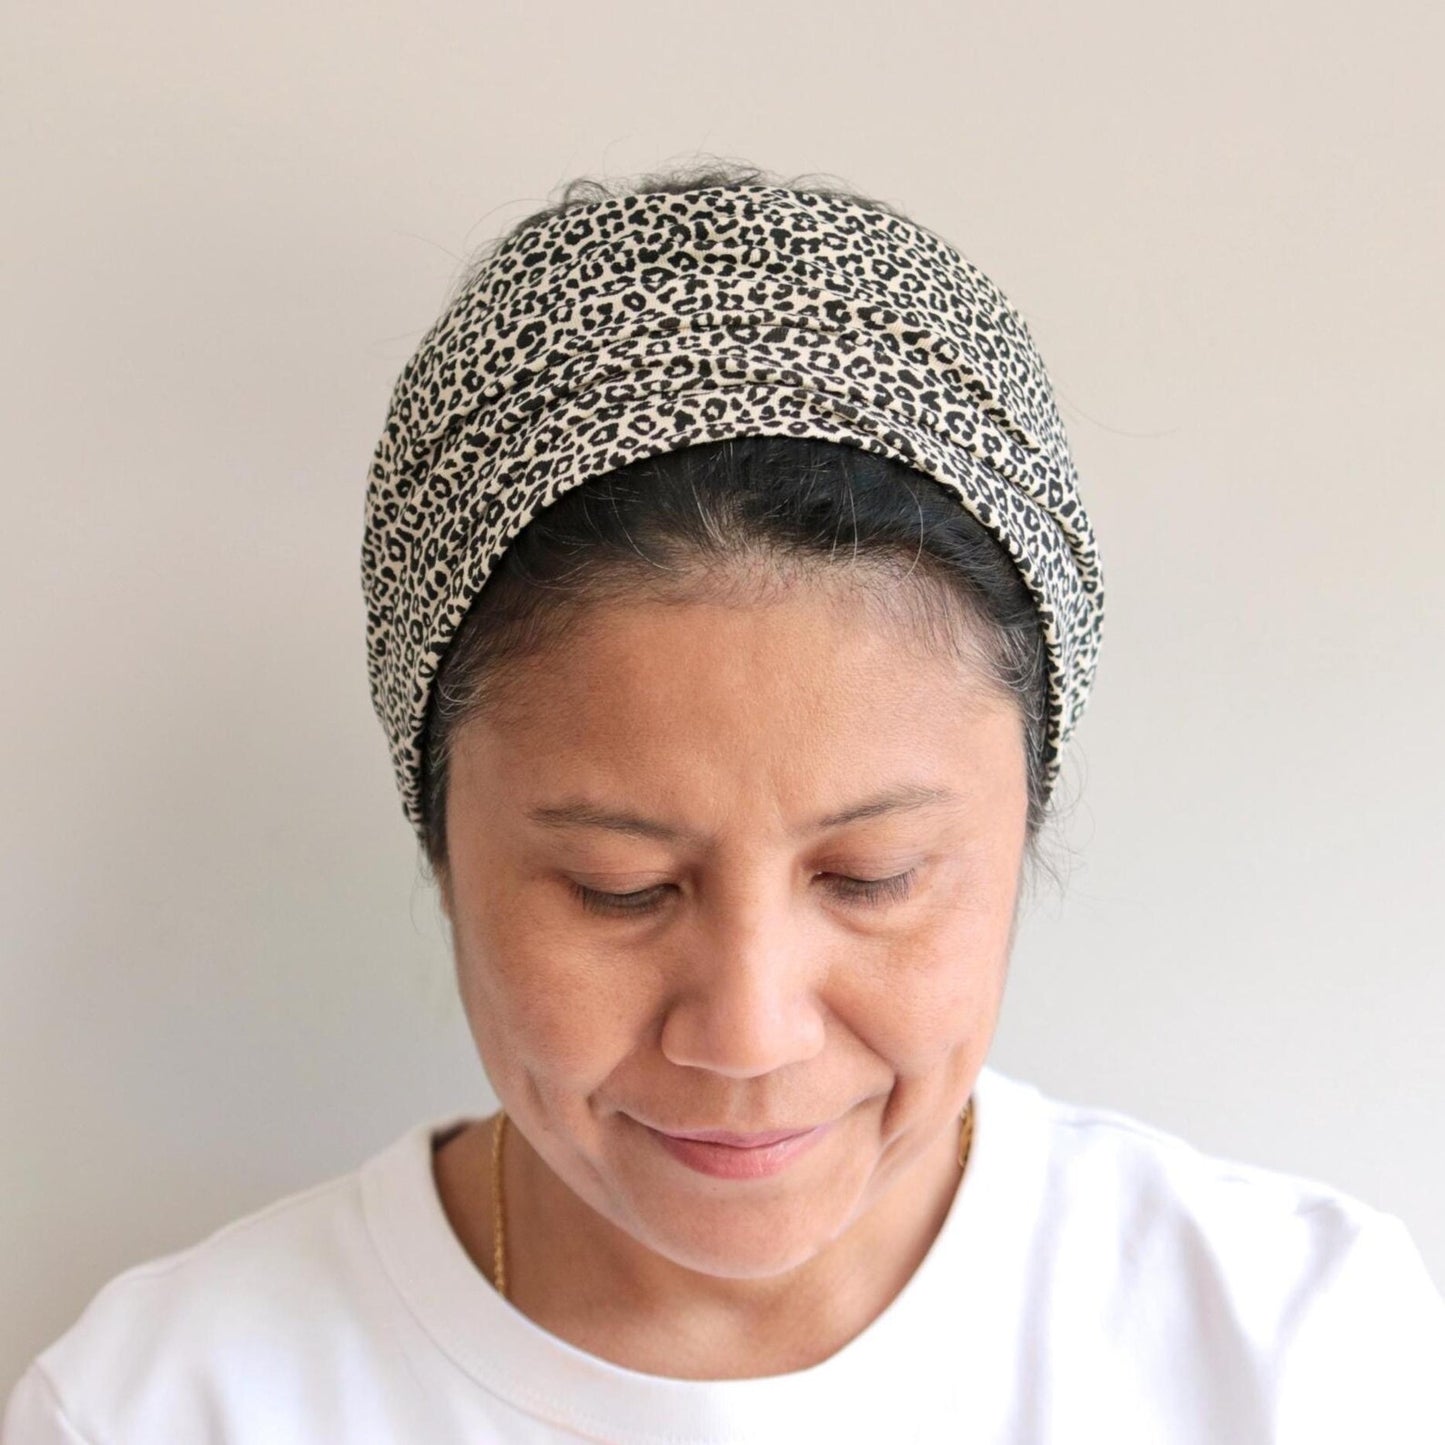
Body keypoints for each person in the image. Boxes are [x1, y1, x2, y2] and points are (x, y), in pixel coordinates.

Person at [4, 162, 1442, 1444]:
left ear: (1022, 820)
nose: (749, 1033)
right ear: (441, 840)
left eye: (872, 873)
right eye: (621, 887)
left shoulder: (1303, 1359)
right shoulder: (168, 1403)